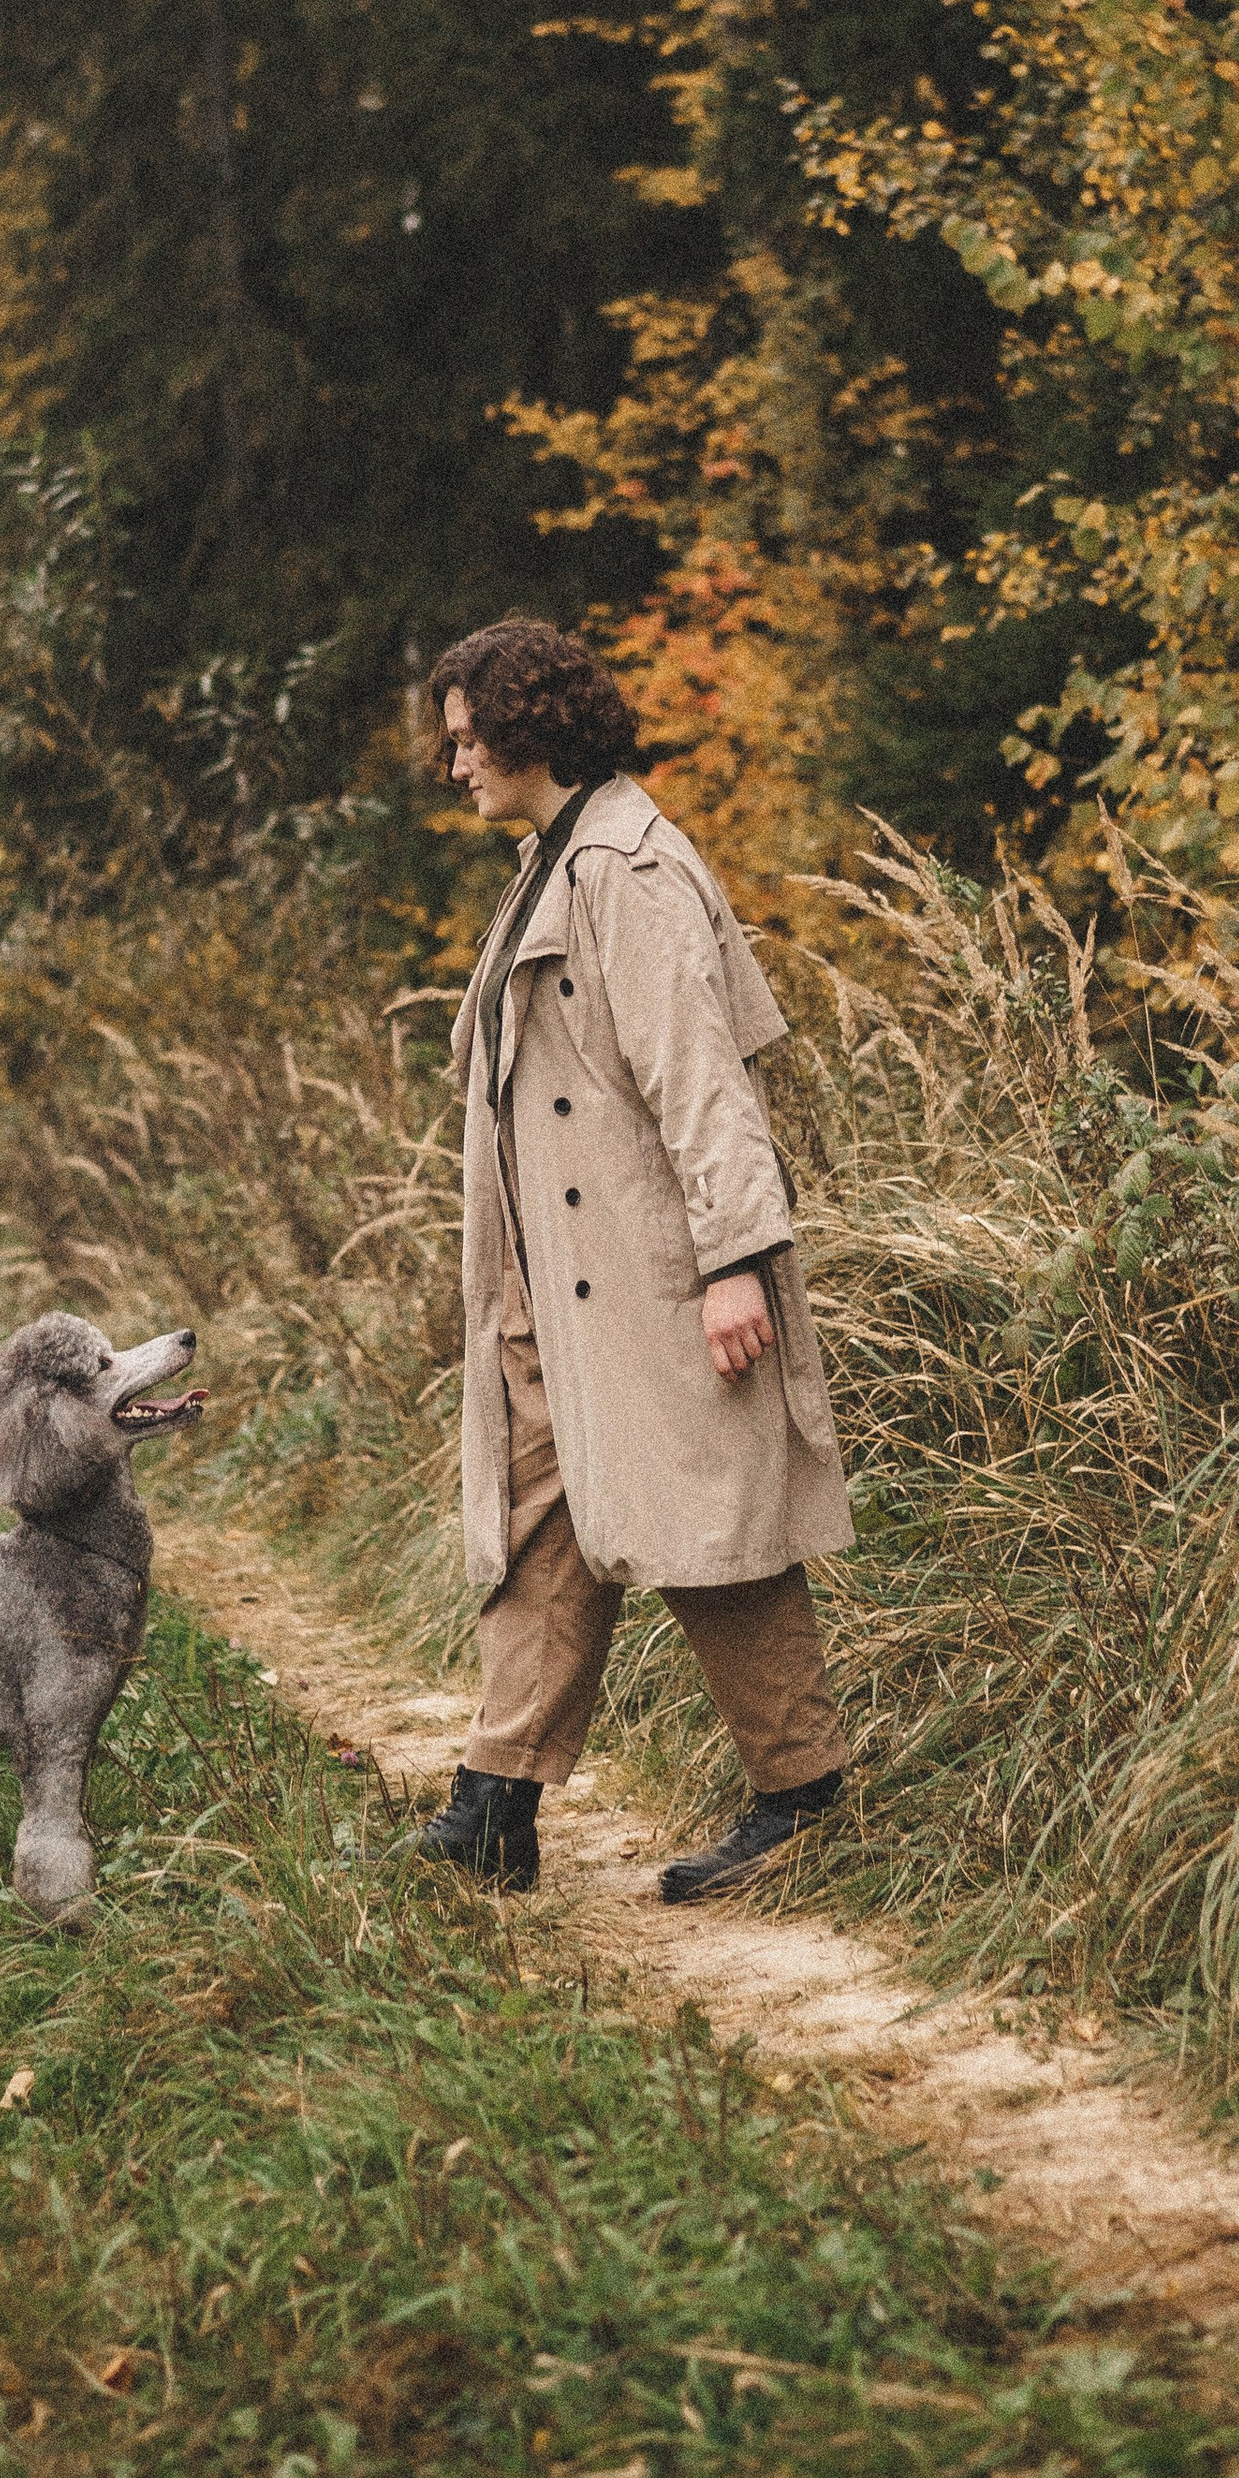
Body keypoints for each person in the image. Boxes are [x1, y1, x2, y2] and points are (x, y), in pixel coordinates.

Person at [412, 618, 852, 1904]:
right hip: (556, 1276)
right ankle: (495, 1804)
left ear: (526, 724)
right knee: (538, 1521)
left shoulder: (627, 867)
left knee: (706, 1524)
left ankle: (804, 1793)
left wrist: (733, 1261)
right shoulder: (553, 858)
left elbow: (701, 1080)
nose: (454, 767)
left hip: (654, 1271)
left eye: (465, 738)